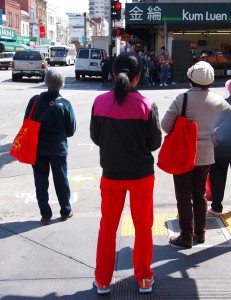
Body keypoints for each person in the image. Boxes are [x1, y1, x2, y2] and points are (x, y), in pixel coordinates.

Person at [90, 52, 162, 294]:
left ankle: (102, 281)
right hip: (141, 176)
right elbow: (154, 144)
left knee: (108, 227)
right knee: (143, 227)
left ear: (112, 74)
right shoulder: (147, 105)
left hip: (111, 174)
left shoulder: (99, 102)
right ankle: (143, 278)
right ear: (138, 77)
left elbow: (95, 137)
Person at [161, 61, 231, 248]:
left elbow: (165, 126)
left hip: (184, 154)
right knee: (199, 195)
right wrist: (217, 134)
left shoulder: (181, 99)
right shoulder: (218, 101)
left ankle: (186, 236)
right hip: (206, 155)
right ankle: (200, 234)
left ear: (190, 78)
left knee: (183, 195)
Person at [23, 68, 76, 225]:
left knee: (40, 182)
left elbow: (27, 122)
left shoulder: (35, 100)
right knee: (61, 180)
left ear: (46, 82)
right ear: (61, 84)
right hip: (58, 148)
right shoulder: (65, 104)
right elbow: (71, 130)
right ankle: (65, 211)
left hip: (37, 148)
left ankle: (45, 215)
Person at [208, 79, 231, 215]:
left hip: (221, 147)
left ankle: (217, 207)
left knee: (218, 174)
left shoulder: (223, 104)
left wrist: (216, 136)